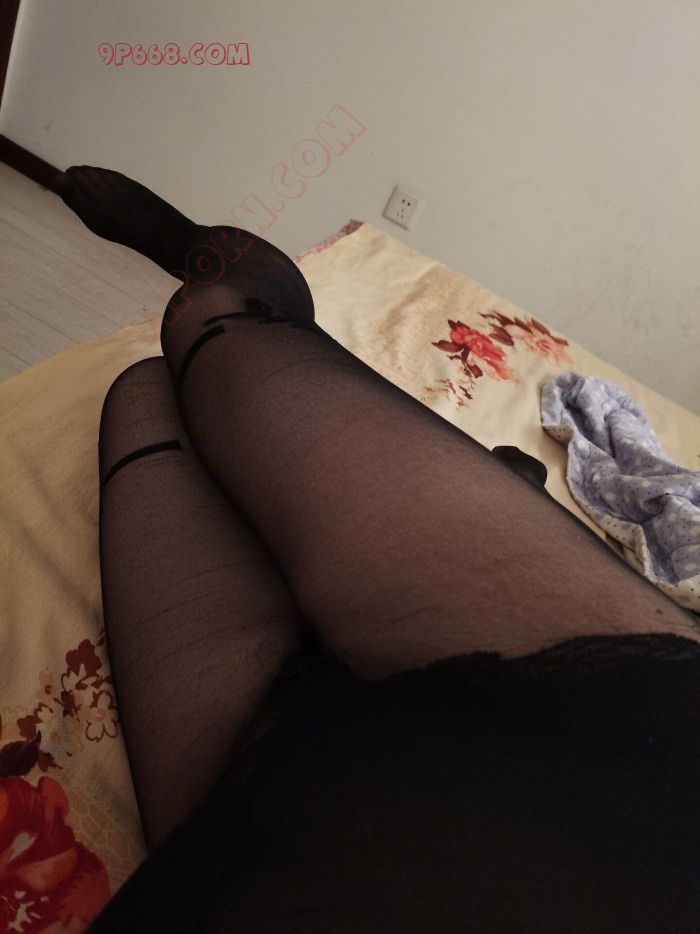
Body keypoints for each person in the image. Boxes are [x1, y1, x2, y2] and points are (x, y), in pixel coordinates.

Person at [54, 166, 700, 932]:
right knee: (215, 326)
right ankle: (200, 253)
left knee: (144, 394)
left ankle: (502, 486)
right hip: (607, 752)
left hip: (276, 827)